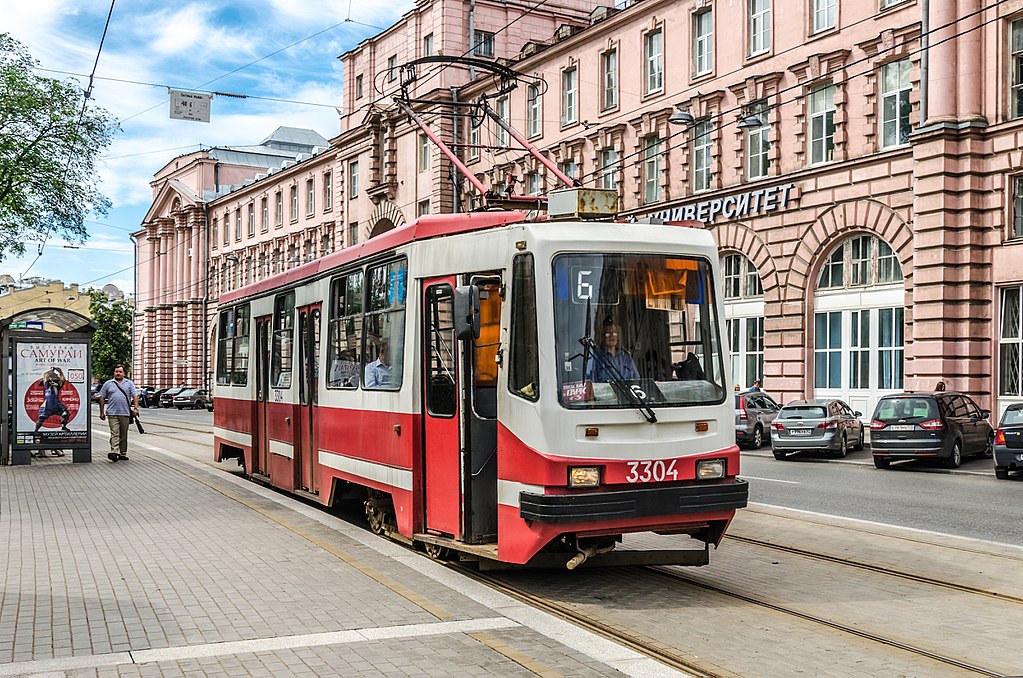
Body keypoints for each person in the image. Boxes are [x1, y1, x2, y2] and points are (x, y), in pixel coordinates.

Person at [98, 364, 139, 462]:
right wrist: (101, 412)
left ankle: (122, 453)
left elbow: (135, 396)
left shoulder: (129, 383)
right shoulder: (108, 383)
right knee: (114, 433)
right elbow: (101, 397)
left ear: (124, 373)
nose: (118, 373)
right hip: (112, 412)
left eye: (120, 372)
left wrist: (136, 408)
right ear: (114, 372)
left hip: (125, 413)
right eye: (116, 371)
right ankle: (114, 452)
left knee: (123, 434)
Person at [34, 367, 70, 432]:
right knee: (41, 418)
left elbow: (63, 380)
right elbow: (45, 375)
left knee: (65, 414)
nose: (54, 379)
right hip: (48, 404)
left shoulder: (57, 386)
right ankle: (36, 430)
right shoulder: (46, 385)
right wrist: (52, 370)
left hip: (56, 404)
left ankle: (63, 427)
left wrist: (60, 372)